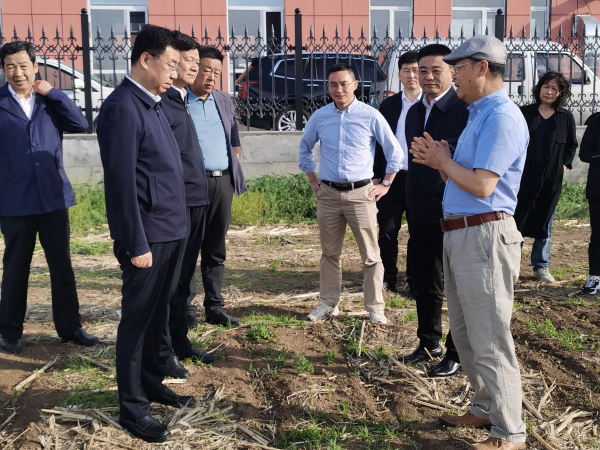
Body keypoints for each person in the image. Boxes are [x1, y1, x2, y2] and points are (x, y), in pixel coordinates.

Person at [411, 35, 528, 450]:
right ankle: (485, 406)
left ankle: (509, 432)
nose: (452, 75)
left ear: (482, 68)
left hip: (484, 235)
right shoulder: (479, 114)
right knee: (464, 334)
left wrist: (444, 161)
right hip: (462, 233)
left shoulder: (502, 117)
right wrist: (442, 163)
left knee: (489, 337)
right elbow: (464, 182)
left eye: (457, 68)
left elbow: (483, 186)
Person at [97, 25, 195, 443]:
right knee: (137, 325)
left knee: (157, 318)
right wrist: (136, 243)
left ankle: (151, 383)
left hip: (170, 230)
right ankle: (133, 409)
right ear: (145, 59)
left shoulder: (152, 103)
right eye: (170, 64)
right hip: (147, 239)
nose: (175, 72)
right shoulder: (122, 108)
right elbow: (120, 186)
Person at [0, 41, 98, 354]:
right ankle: (10, 331)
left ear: (35, 67)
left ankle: (70, 327)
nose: (17, 72)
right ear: (3, 70)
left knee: (61, 266)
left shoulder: (49, 102)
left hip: (53, 199)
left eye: (23, 65)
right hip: (14, 202)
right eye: (10, 66)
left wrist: (53, 93)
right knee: (16, 268)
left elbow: (80, 124)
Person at [300, 63, 403, 324]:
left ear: (355, 85)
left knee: (370, 255)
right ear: (328, 87)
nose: (339, 89)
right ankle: (328, 303)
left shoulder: (370, 115)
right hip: (328, 194)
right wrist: (312, 177)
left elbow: (394, 151)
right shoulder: (320, 116)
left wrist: (386, 183)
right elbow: (304, 147)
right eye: (333, 84)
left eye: (344, 84)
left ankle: (374, 307)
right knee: (329, 254)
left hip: (361, 195)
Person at [400, 44, 469, 378]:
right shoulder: (415, 111)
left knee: (455, 283)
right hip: (419, 208)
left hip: (450, 209)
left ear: (451, 72)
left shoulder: (463, 110)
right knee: (424, 278)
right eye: (421, 70)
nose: (427, 76)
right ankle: (428, 343)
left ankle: (457, 352)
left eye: (435, 70)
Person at [157, 32, 215, 382]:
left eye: (196, 61)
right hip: (177, 207)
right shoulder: (162, 102)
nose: (194, 67)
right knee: (169, 284)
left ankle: (180, 342)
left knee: (182, 281)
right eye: (188, 61)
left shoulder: (179, 99)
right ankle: (163, 352)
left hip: (196, 202)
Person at [187, 45, 247, 326]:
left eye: (217, 72)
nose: (211, 77)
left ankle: (214, 307)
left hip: (222, 182)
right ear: (194, 68)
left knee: (215, 248)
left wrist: (235, 158)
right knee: (189, 247)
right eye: (206, 70)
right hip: (191, 184)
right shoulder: (178, 100)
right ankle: (185, 311)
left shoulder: (222, 99)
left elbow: (233, 133)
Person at [515, 72, 577, 283]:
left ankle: (541, 266)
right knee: (517, 220)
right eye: (546, 87)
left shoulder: (565, 117)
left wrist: (563, 166)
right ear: (539, 88)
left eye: (554, 89)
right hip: (524, 178)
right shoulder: (525, 113)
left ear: (561, 93)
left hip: (551, 179)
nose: (549, 92)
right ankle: (512, 264)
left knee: (545, 220)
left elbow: (571, 145)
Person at [373, 51, 421, 294]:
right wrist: (376, 176)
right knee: (387, 230)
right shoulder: (389, 105)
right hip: (391, 179)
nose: (412, 75)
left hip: (420, 178)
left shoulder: (429, 104)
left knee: (418, 232)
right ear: (399, 74)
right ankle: (387, 277)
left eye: (416, 70)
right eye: (406, 70)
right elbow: (378, 143)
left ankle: (414, 279)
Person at [579, 114, 600, 294]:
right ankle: (595, 276)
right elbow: (584, 154)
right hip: (598, 190)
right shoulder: (596, 122)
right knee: (598, 234)